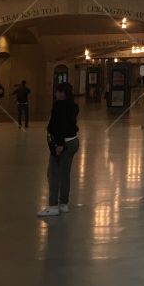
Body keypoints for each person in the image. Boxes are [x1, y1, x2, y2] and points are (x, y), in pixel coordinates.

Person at [37, 83, 80, 218]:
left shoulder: (59, 106)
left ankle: (53, 206)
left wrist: (59, 144)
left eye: (58, 92)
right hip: (73, 141)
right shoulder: (73, 106)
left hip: (63, 143)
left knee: (53, 174)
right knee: (64, 173)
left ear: (63, 93)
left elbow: (60, 126)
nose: (56, 94)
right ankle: (64, 203)